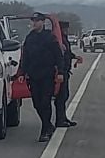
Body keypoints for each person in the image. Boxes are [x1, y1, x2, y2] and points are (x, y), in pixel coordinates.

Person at [16, 13, 64, 142]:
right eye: (33, 21)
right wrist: (21, 73)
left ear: (43, 22)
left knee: (45, 102)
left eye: (37, 21)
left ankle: (45, 131)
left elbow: (58, 56)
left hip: (47, 75)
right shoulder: (29, 38)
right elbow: (25, 57)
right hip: (33, 76)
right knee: (37, 104)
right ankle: (48, 125)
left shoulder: (49, 37)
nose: (34, 23)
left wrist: (60, 72)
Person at [55, 21, 83, 127]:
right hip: (60, 71)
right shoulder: (58, 39)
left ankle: (63, 117)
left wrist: (75, 57)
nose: (66, 30)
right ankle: (60, 120)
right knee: (61, 96)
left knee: (64, 95)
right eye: (65, 28)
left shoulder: (64, 38)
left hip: (66, 70)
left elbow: (67, 53)